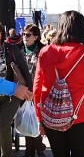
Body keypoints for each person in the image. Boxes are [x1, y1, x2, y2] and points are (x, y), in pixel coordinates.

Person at [33, 10, 84, 157]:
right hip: (80, 116)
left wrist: (39, 119)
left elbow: (37, 87)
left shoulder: (45, 52)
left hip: (51, 116)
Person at [0, 22, 32, 157]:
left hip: (12, 95)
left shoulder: (11, 49)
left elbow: (25, 71)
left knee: (2, 126)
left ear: (1, 34)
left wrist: (29, 93)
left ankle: (6, 154)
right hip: (10, 89)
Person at [19, 24, 46, 157]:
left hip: (39, 90)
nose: (25, 37)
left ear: (35, 37)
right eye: (23, 34)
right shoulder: (18, 49)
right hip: (22, 89)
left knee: (37, 120)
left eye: (28, 35)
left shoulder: (43, 50)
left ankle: (39, 147)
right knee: (26, 118)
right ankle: (29, 149)